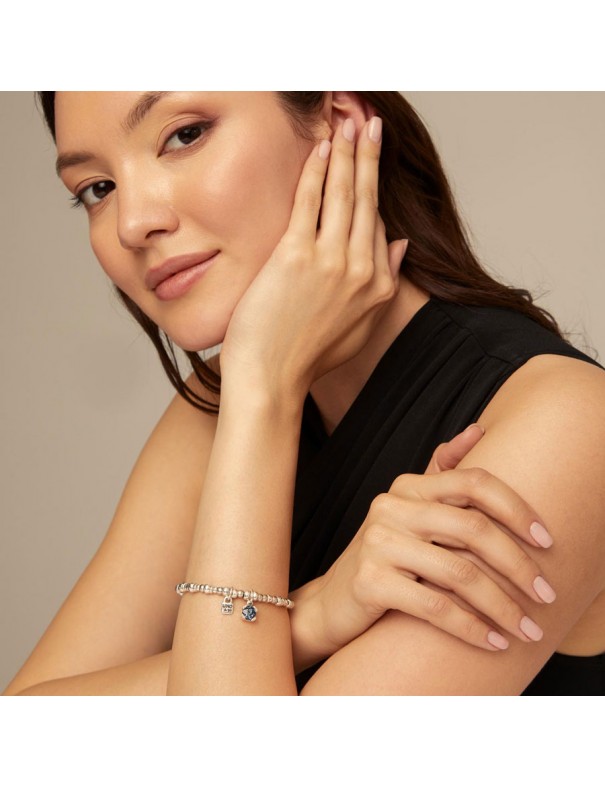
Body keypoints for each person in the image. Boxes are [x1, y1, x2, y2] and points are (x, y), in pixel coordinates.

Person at [3, 91, 604, 695]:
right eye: (98, 189)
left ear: (338, 124)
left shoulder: (567, 424)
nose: (132, 224)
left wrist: (261, 387)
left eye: (184, 135)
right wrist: (313, 616)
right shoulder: (220, 402)